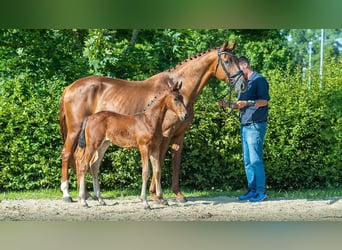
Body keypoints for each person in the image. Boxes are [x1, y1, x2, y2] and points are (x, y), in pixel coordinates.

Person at [218, 56, 270, 202]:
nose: (236, 72)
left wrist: (247, 102)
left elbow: (264, 101)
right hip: (245, 125)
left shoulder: (259, 80)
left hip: (255, 125)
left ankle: (261, 192)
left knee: (255, 160)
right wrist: (227, 104)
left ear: (245, 65)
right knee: (247, 161)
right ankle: (252, 190)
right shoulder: (244, 83)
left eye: (238, 68)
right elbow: (240, 104)